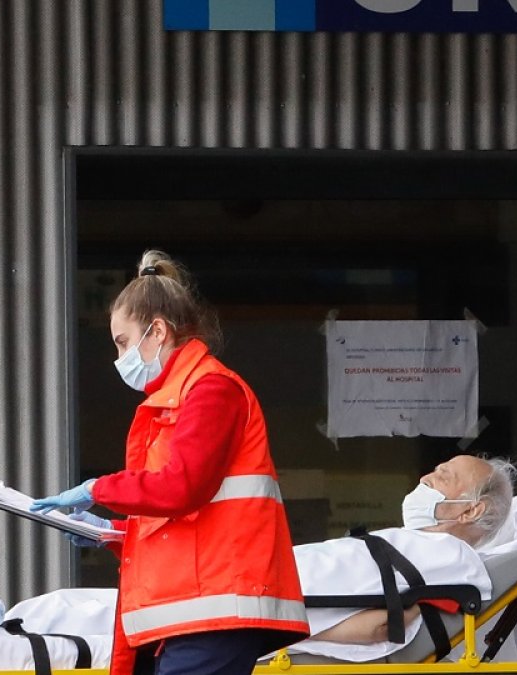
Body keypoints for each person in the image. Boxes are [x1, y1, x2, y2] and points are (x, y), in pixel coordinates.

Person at [32, 250, 310, 675]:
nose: (118, 356)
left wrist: (97, 490)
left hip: (214, 609)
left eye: (122, 342)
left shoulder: (210, 391)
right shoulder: (184, 396)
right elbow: (188, 516)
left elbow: (181, 486)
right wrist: (115, 533)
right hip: (198, 609)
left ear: (157, 330)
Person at [292, 454, 517, 656]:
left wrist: (281, 628)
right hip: (270, 593)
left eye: (444, 477)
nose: (424, 479)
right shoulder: (415, 547)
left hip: (270, 596)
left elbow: (381, 627)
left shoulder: (450, 555)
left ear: (470, 510)